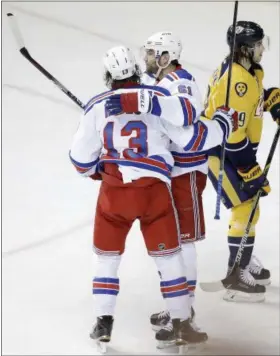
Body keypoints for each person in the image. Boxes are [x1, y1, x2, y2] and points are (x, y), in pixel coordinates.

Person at [69, 46, 238, 349]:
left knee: (107, 260)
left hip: (114, 193)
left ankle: (103, 323)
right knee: (171, 260)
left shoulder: (97, 106)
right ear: (136, 70)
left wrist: (100, 169)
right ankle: (182, 323)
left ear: (108, 76)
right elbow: (193, 138)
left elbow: (80, 160)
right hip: (154, 193)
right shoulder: (158, 100)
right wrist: (223, 125)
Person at [110, 31, 211, 333]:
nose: (147, 58)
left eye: (152, 53)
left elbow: (181, 119)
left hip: (187, 172)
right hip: (174, 173)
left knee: (185, 241)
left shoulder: (178, 83)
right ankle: (178, 307)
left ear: (166, 57)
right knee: (178, 241)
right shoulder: (163, 82)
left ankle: (185, 309)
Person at [203, 21, 280, 302]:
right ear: (246, 49)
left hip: (236, 152)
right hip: (222, 154)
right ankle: (236, 275)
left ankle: (243, 261)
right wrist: (250, 169)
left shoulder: (249, 71)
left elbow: (253, 98)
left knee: (250, 207)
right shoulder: (234, 83)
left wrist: (271, 102)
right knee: (244, 208)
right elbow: (233, 136)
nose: (263, 48)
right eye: (259, 44)